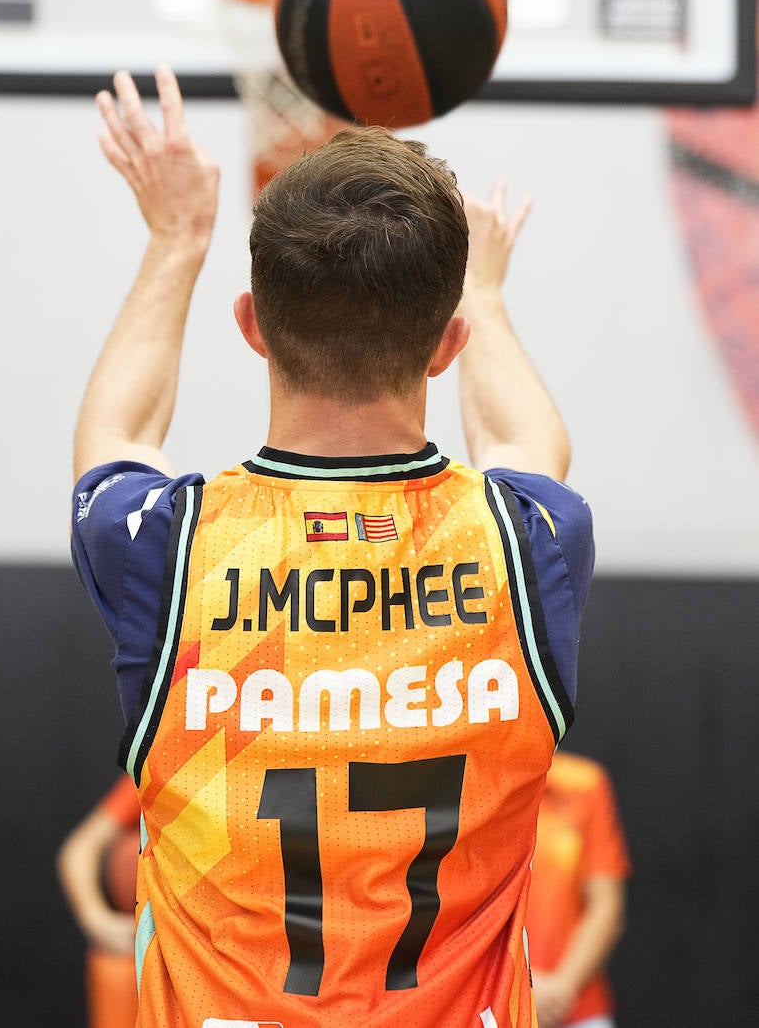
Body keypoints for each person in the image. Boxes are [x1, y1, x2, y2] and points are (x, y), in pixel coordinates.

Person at [71, 66, 595, 1028]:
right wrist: (487, 289)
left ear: (252, 326)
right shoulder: (529, 546)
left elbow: (115, 437)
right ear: (447, 345)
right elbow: (530, 447)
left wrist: (175, 234)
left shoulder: (164, 547)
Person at [526, 753, 630, 1028]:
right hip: (491, 1006)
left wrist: (562, 987)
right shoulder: (462, 790)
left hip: (575, 1007)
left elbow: (606, 905)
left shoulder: (583, 784)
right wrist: (521, 987)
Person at [56, 776, 141, 1028]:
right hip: (151, 947)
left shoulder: (259, 772)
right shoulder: (168, 761)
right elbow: (79, 849)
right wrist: (99, 921)